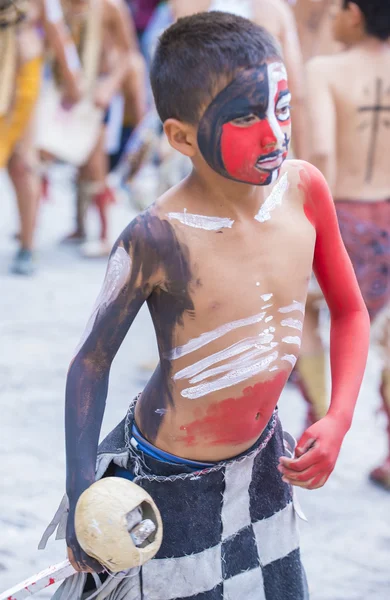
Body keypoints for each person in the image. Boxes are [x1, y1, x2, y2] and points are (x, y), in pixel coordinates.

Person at [40, 12, 369, 599]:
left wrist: (340, 416)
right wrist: (82, 490)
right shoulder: (155, 237)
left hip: (264, 466)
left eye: (281, 106)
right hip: (165, 487)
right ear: (181, 136)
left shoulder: (304, 192)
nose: (273, 132)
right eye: (245, 116)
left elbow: (348, 311)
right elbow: (90, 360)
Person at [301, 0, 390, 489]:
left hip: (347, 215)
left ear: (354, 12)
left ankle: (318, 426)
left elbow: (323, 152)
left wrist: (317, 226)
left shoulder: (326, 69)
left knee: (307, 316)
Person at [39, 0, 141, 258]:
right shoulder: (56, 5)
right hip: (69, 90)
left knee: (96, 166)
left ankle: (106, 236)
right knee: (78, 160)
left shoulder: (111, 7)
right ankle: (80, 227)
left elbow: (129, 55)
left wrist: (109, 88)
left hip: (100, 90)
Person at [0, 0, 82, 275]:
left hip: (22, 75)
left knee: (22, 163)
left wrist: (72, 80)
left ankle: (27, 246)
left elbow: (55, 27)